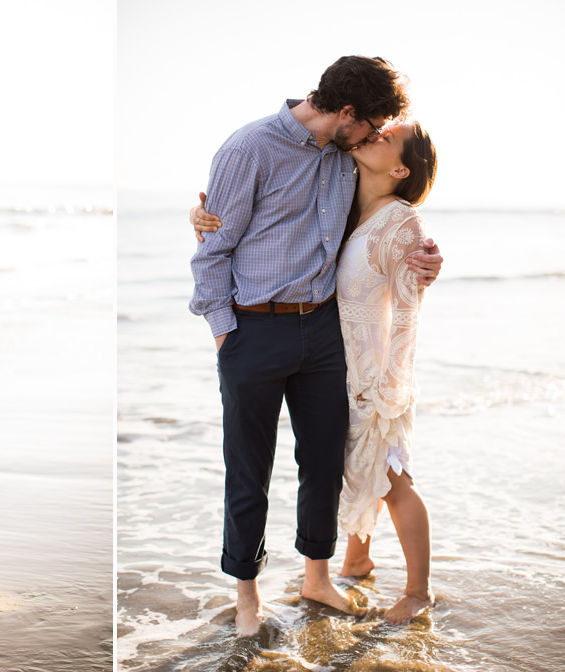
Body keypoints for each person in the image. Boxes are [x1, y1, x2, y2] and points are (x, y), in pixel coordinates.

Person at [188, 56, 443, 636]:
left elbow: (388, 223)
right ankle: (247, 594)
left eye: (382, 133)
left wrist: (428, 258)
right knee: (248, 470)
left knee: (324, 463)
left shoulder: (344, 157)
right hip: (253, 329)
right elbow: (212, 249)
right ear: (348, 115)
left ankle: (316, 577)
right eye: (372, 125)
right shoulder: (246, 149)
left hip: (324, 332)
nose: (375, 137)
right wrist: (226, 330)